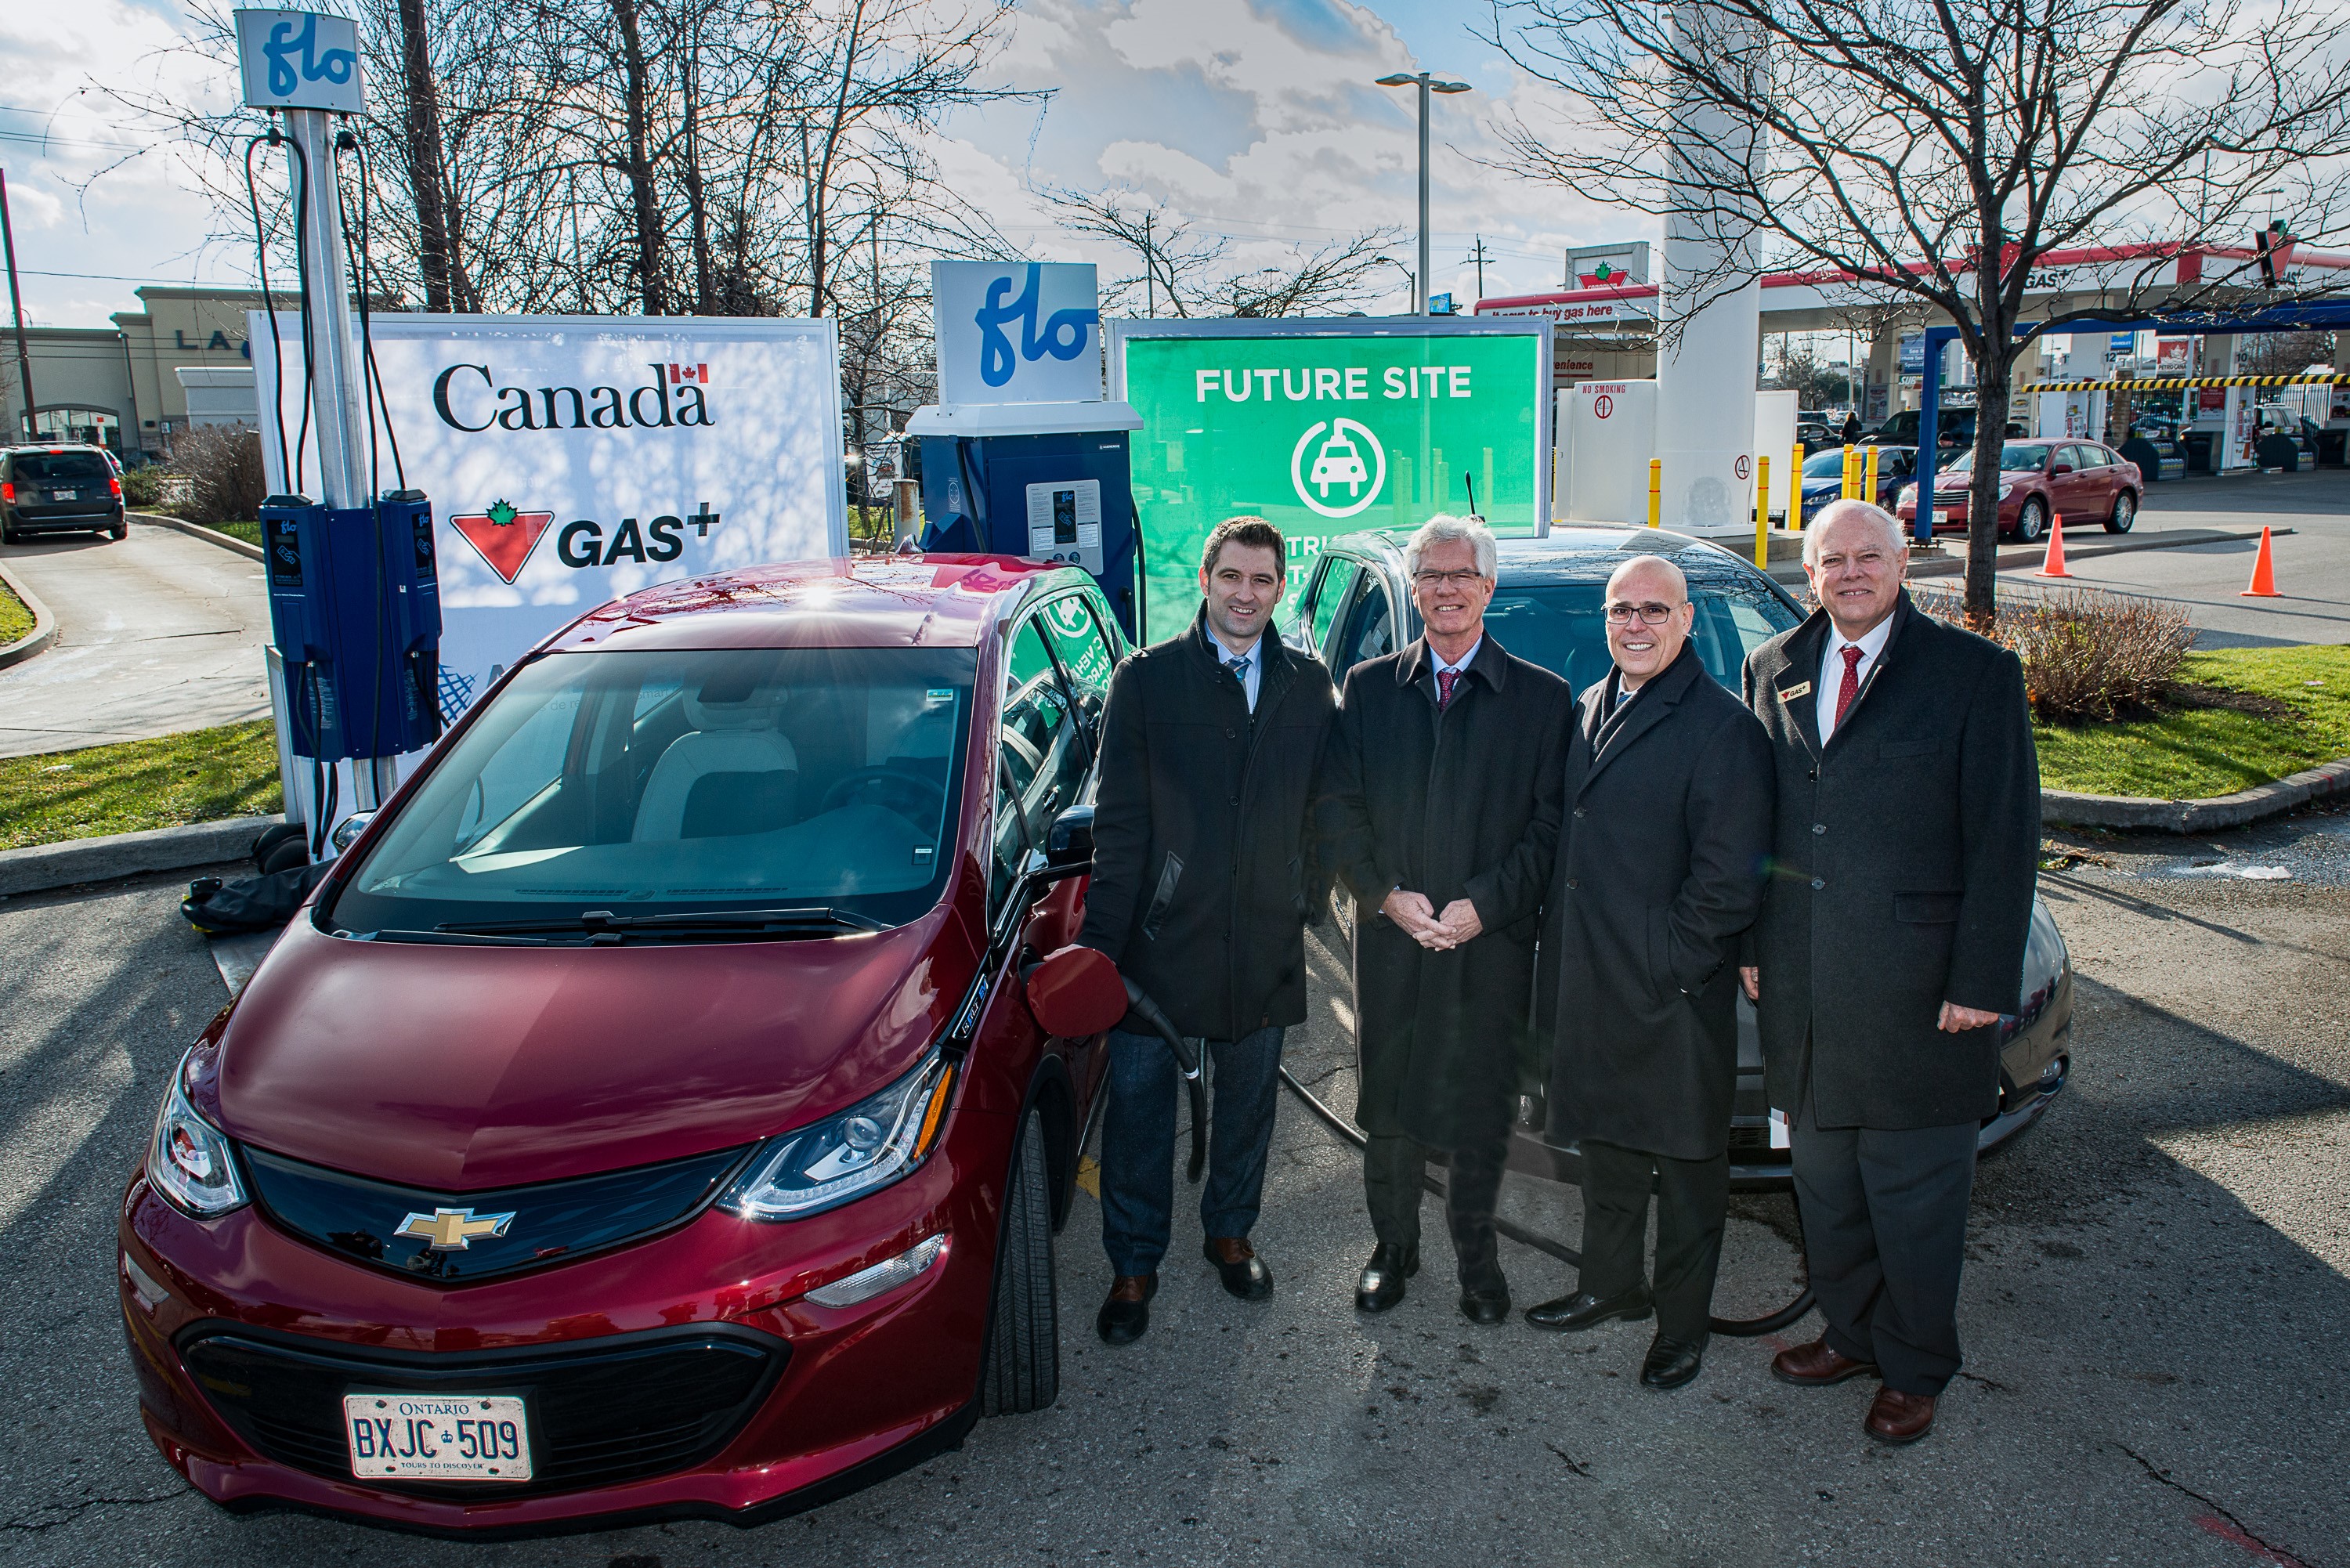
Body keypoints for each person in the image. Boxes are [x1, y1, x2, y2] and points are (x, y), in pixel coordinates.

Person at [1739, 500, 2039, 1444]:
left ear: (1904, 564)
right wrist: (1751, 941)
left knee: (1914, 1195)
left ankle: (1915, 1367)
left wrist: (1982, 976)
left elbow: (2004, 837)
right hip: (1804, 986)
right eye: (1833, 559)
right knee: (1826, 1187)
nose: (1851, 574)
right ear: (1810, 570)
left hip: (1922, 991)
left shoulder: (1973, 675)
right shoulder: (1774, 666)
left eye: (1870, 557)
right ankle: (1853, 1333)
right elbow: (1758, 821)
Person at [1079, 515, 1338, 1346]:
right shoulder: (1147, 680)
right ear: (1205, 577)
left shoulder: (1307, 683)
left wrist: (1304, 893)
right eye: (1232, 576)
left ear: (1280, 587)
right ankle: (1133, 1261)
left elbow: (1325, 808)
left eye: (1263, 581)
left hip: (1260, 939)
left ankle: (1230, 1232)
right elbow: (1118, 826)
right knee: (1140, 1109)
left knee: (1249, 1102)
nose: (1245, 594)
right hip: (1156, 941)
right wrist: (1103, 951)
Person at [1524, 553, 1773, 1389]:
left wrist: (1669, 967)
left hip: (1670, 997)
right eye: (1620, 610)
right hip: (1591, 984)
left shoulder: (1722, 727)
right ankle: (1610, 1287)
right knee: (1610, 1154)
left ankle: (1681, 1328)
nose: (1634, 625)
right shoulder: (1593, 703)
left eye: (1652, 611)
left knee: (1691, 1171)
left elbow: (1728, 878)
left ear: (1686, 619)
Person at [1317, 515, 1570, 1324]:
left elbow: (1550, 829)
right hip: (1392, 940)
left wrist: (1484, 906)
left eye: (1462, 575)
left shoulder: (1541, 698)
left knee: (1479, 1111)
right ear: (1415, 589)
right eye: (1430, 575)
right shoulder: (1368, 688)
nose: (1446, 589)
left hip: (1488, 947)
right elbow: (1338, 809)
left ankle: (1478, 1260)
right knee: (1386, 1106)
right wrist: (1385, 893)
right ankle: (1393, 1249)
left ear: (1489, 589)